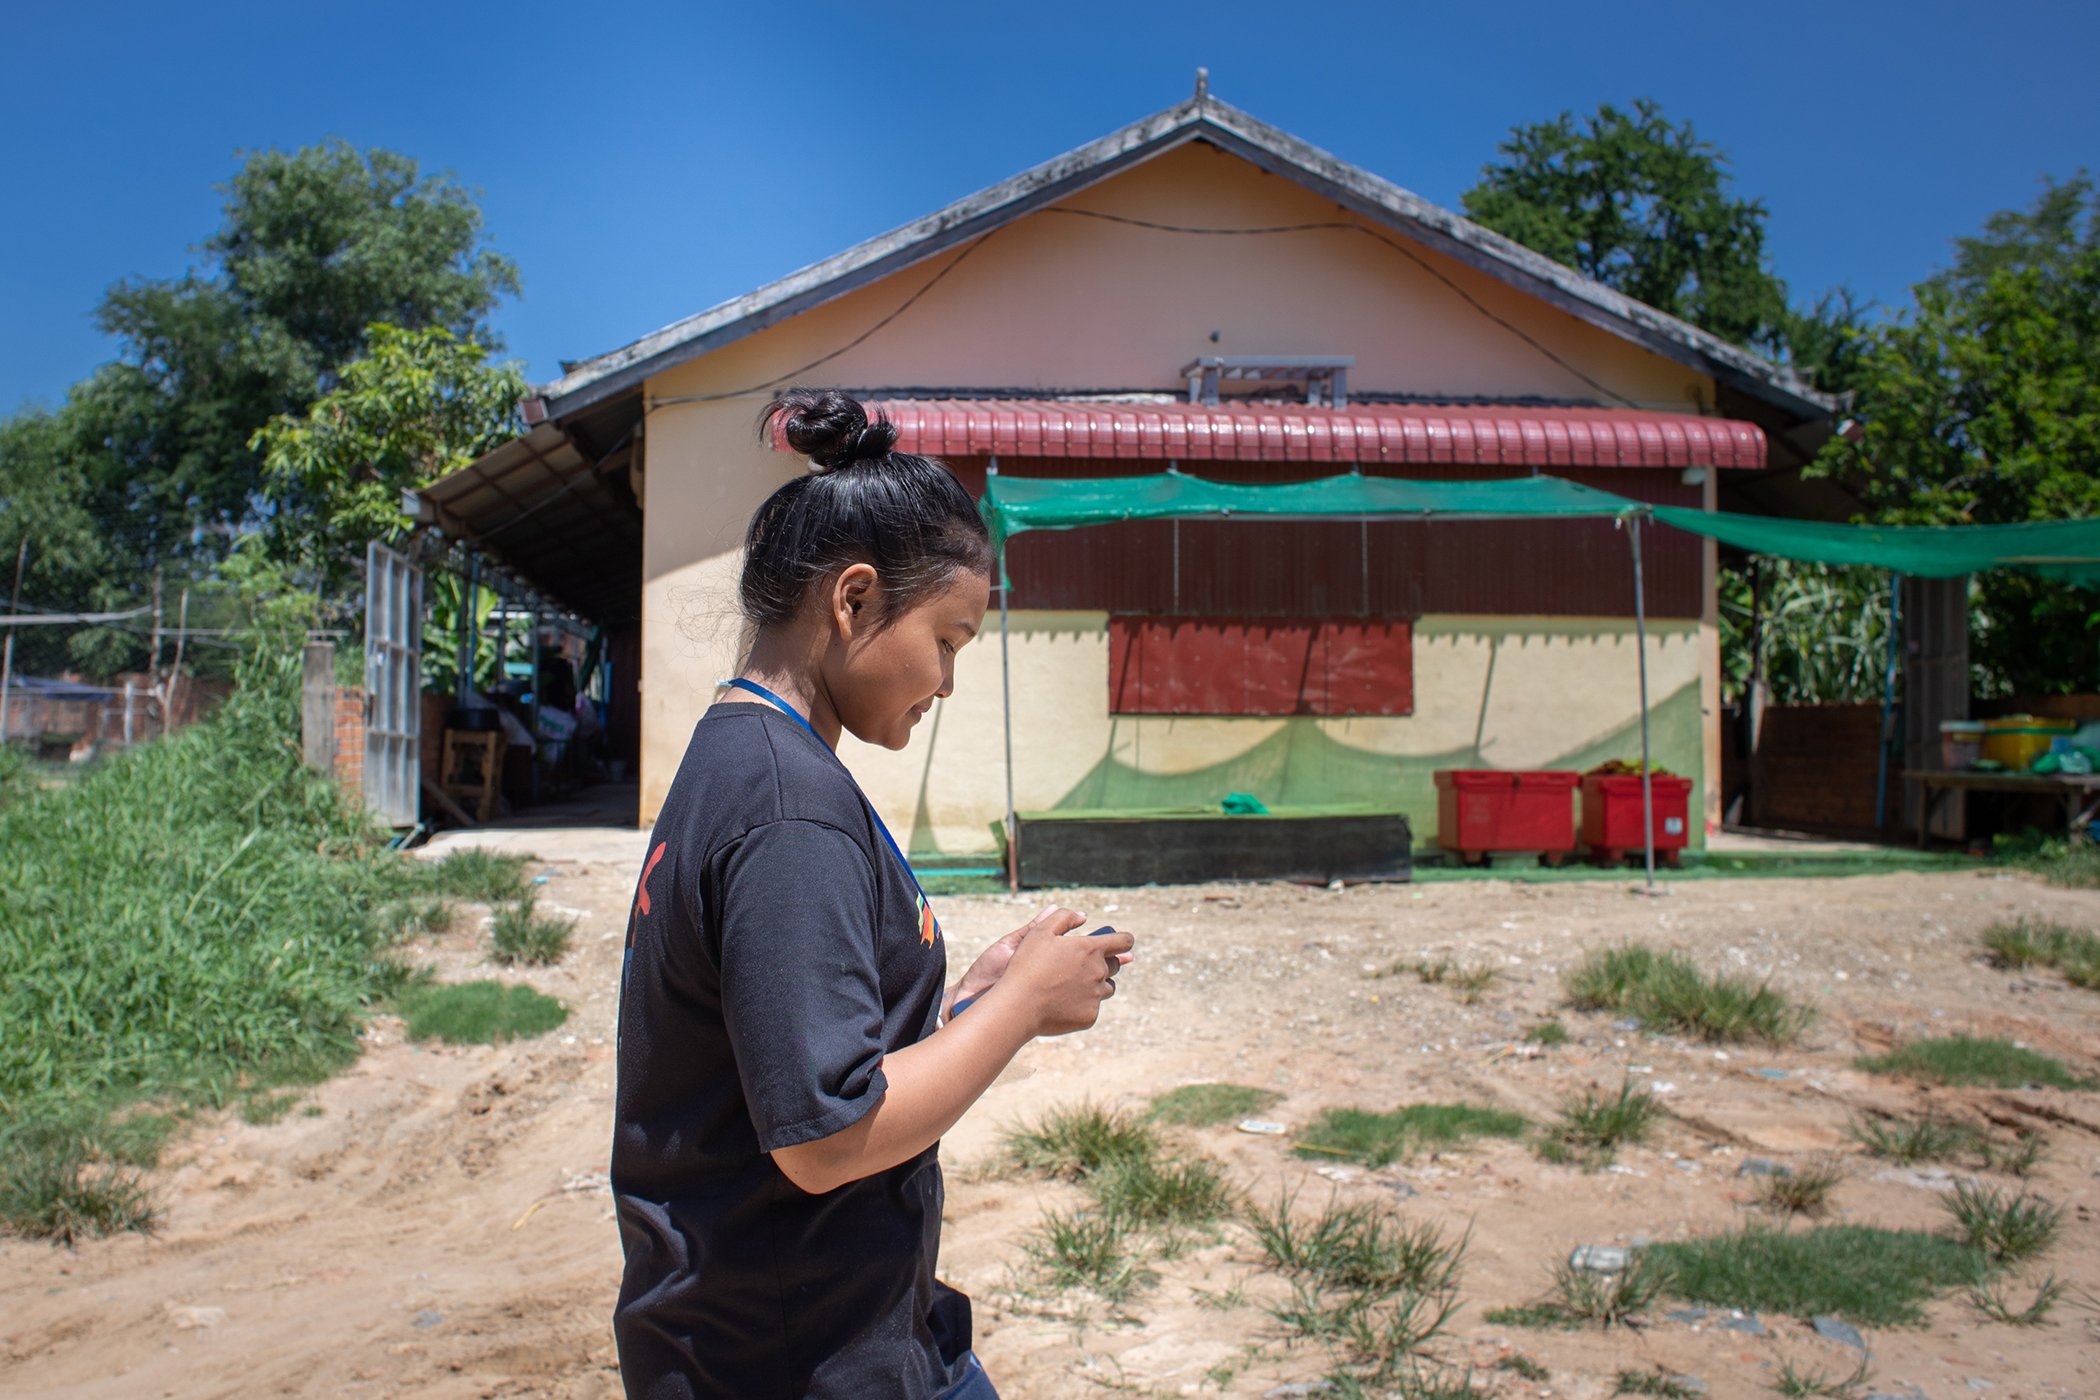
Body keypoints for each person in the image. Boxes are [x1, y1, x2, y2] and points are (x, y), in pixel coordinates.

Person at [610, 389, 1135, 1399]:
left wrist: (955, 1008)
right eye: (948, 640)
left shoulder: (742, 758)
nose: (945, 681)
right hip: (798, 1355)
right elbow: (823, 1136)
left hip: (784, 1333)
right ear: (851, 600)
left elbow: (781, 1054)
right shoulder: (788, 808)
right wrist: (1020, 1010)